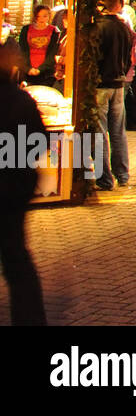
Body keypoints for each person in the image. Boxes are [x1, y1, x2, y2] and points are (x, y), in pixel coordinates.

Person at [0, 67, 47, 324]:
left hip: (11, 186)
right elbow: (40, 140)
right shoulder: (20, 99)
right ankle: (30, 318)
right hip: (15, 188)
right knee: (16, 258)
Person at [92, 0, 133, 191]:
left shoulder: (98, 27)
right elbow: (128, 58)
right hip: (118, 83)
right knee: (118, 131)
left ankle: (105, 179)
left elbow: (96, 58)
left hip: (101, 84)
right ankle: (123, 175)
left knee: (100, 131)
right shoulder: (124, 28)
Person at [18, 5, 60, 88]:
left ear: (49, 16)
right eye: (38, 16)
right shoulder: (26, 29)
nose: (41, 19)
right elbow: (22, 50)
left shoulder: (54, 31)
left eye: (44, 16)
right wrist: (28, 69)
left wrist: (40, 69)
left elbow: (53, 53)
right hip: (27, 72)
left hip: (46, 74)